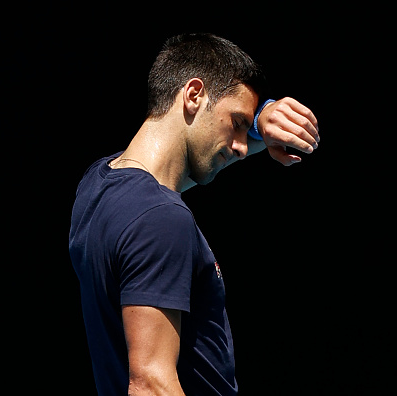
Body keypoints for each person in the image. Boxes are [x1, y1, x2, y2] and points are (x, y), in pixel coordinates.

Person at [68, 32, 320, 395]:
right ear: (193, 95)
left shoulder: (98, 182)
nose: (240, 147)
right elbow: (151, 385)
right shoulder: (160, 217)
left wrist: (259, 120)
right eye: (236, 122)